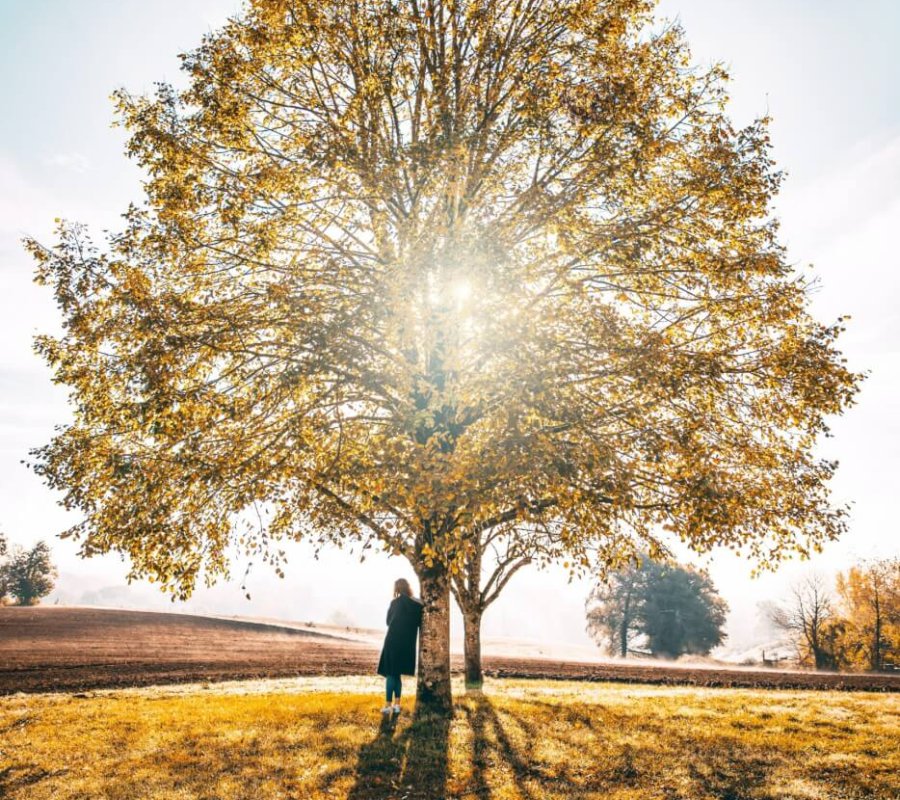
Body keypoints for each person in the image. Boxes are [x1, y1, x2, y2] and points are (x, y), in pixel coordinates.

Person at [376, 578, 423, 714]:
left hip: (392, 641)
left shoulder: (394, 603)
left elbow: (387, 621)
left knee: (391, 673)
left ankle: (387, 705)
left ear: (396, 589)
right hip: (407, 644)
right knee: (396, 675)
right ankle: (397, 705)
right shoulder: (416, 604)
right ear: (408, 588)